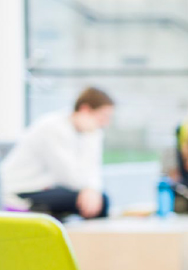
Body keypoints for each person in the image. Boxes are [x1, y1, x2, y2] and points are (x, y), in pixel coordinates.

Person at [1, 87, 115, 218]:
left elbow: (93, 170)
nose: (105, 123)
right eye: (103, 117)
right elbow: (66, 176)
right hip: (22, 190)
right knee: (92, 202)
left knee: (100, 201)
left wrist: (92, 189)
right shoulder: (52, 127)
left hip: (51, 188)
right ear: (85, 109)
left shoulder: (92, 133)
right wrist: (89, 190)